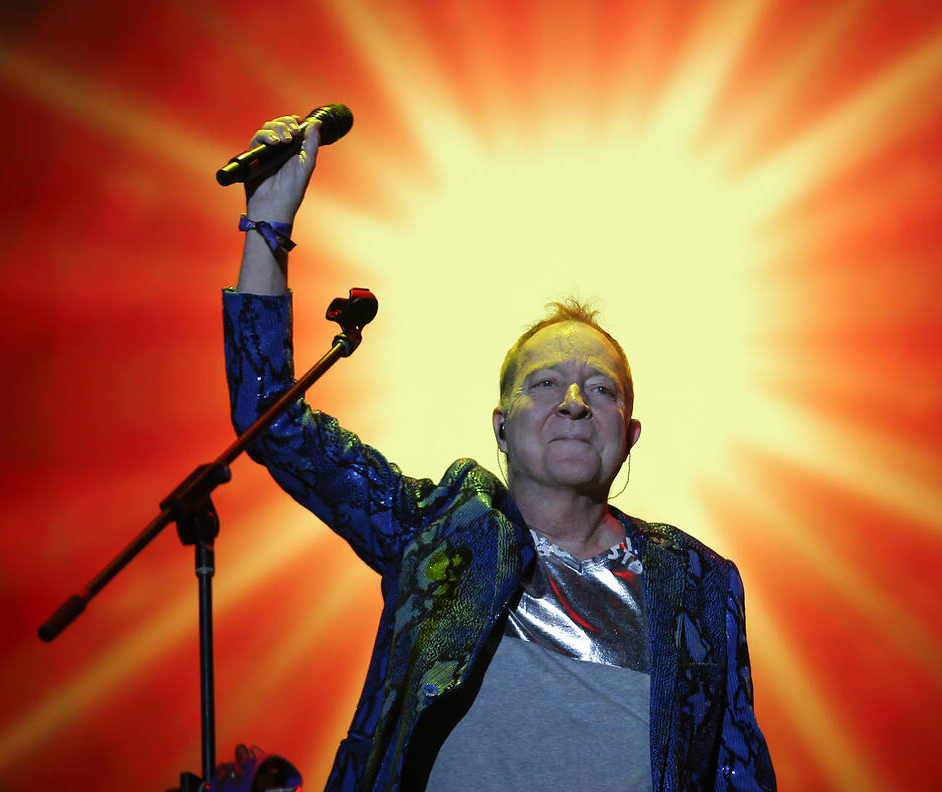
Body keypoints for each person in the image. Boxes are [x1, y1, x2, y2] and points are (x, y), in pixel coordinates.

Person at [223, 115, 775, 792]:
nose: (574, 399)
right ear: (500, 427)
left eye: (601, 389)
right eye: (545, 383)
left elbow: (737, 773)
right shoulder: (438, 530)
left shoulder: (699, 584)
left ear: (629, 434)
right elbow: (272, 421)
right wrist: (268, 227)